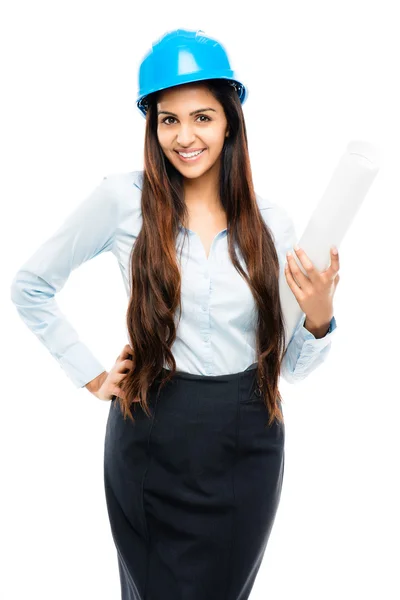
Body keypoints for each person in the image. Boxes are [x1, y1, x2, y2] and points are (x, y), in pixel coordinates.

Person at [10, 28, 339, 600]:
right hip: (150, 435)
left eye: (203, 117)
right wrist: (91, 375)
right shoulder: (122, 200)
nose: (185, 137)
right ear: (152, 125)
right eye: (168, 119)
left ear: (231, 120)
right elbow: (30, 285)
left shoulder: (272, 224)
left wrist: (318, 317)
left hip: (247, 441)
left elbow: (291, 368)